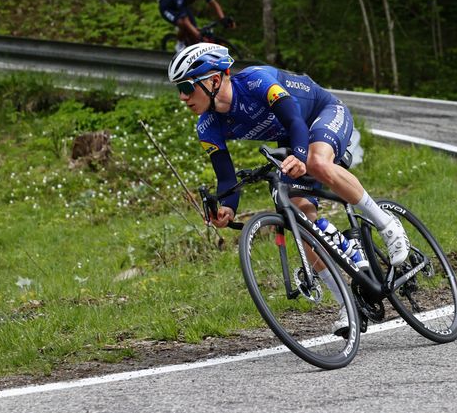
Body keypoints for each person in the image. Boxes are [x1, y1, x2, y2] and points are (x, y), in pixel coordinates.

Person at [168, 43, 411, 335]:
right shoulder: (206, 126)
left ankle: (387, 224)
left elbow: (294, 118)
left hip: (322, 113)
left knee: (317, 162)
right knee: (299, 220)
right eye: (178, 89)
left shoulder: (258, 81)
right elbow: (226, 177)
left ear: (214, 80)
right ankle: (348, 305)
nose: (182, 97)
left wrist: (298, 152)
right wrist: (227, 208)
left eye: (186, 87)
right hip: (290, 138)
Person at [158, 0, 234, 53]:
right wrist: (198, 35)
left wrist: (223, 18)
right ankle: (179, 44)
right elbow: (185, 20)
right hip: (167, 8)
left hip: (183, 6)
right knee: (183, 24)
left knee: (194, 33)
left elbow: (213, 4)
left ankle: (192, 49)